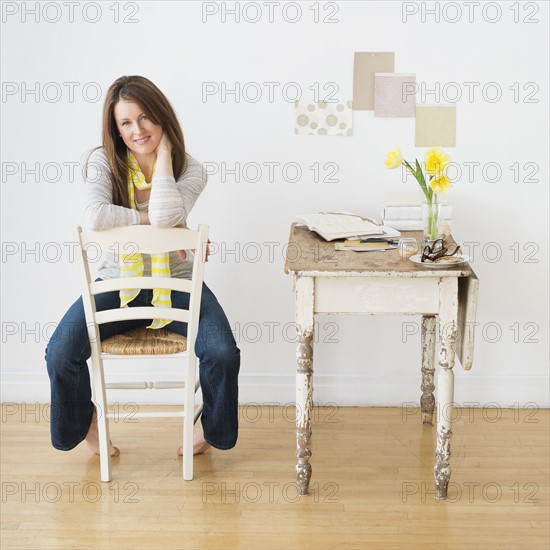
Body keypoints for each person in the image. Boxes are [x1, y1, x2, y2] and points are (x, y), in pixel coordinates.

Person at [45, 75, 240, 458]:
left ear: (163, 118)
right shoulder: (103, 160)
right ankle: (85, 422)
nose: (138, 130)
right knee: (60, 352)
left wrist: (165, 157)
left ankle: (211, 431)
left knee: (222, 352)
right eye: (126, 123)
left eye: (146, 118)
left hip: (179, 284)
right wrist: (173, 231)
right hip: (116, 286)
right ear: (115, 129)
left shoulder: (191, 169)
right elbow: (95, 216)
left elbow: (168, 213)